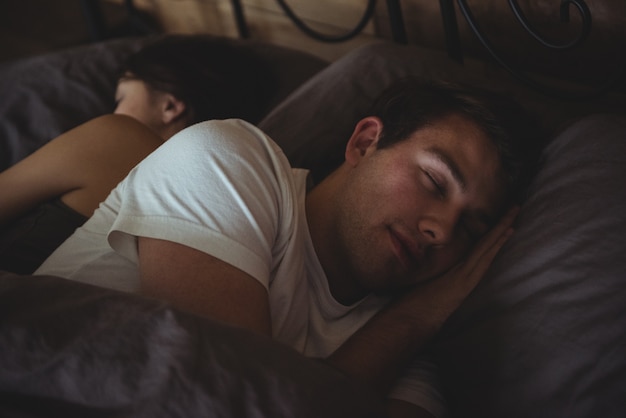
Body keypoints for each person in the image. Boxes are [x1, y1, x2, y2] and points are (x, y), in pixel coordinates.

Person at [36, 78, 539, 417]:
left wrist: (411, 326)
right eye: (433, 181)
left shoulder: (403, 351)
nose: (444, 231)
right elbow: (221, 398)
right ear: (365, 144)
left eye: (471, 229)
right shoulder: (229, 162)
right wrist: (411, 321)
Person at [0, 34, 273, 273]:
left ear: (170, 106)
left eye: (120, 98)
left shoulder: (116, 138)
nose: (112, 111)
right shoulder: (230, 194)